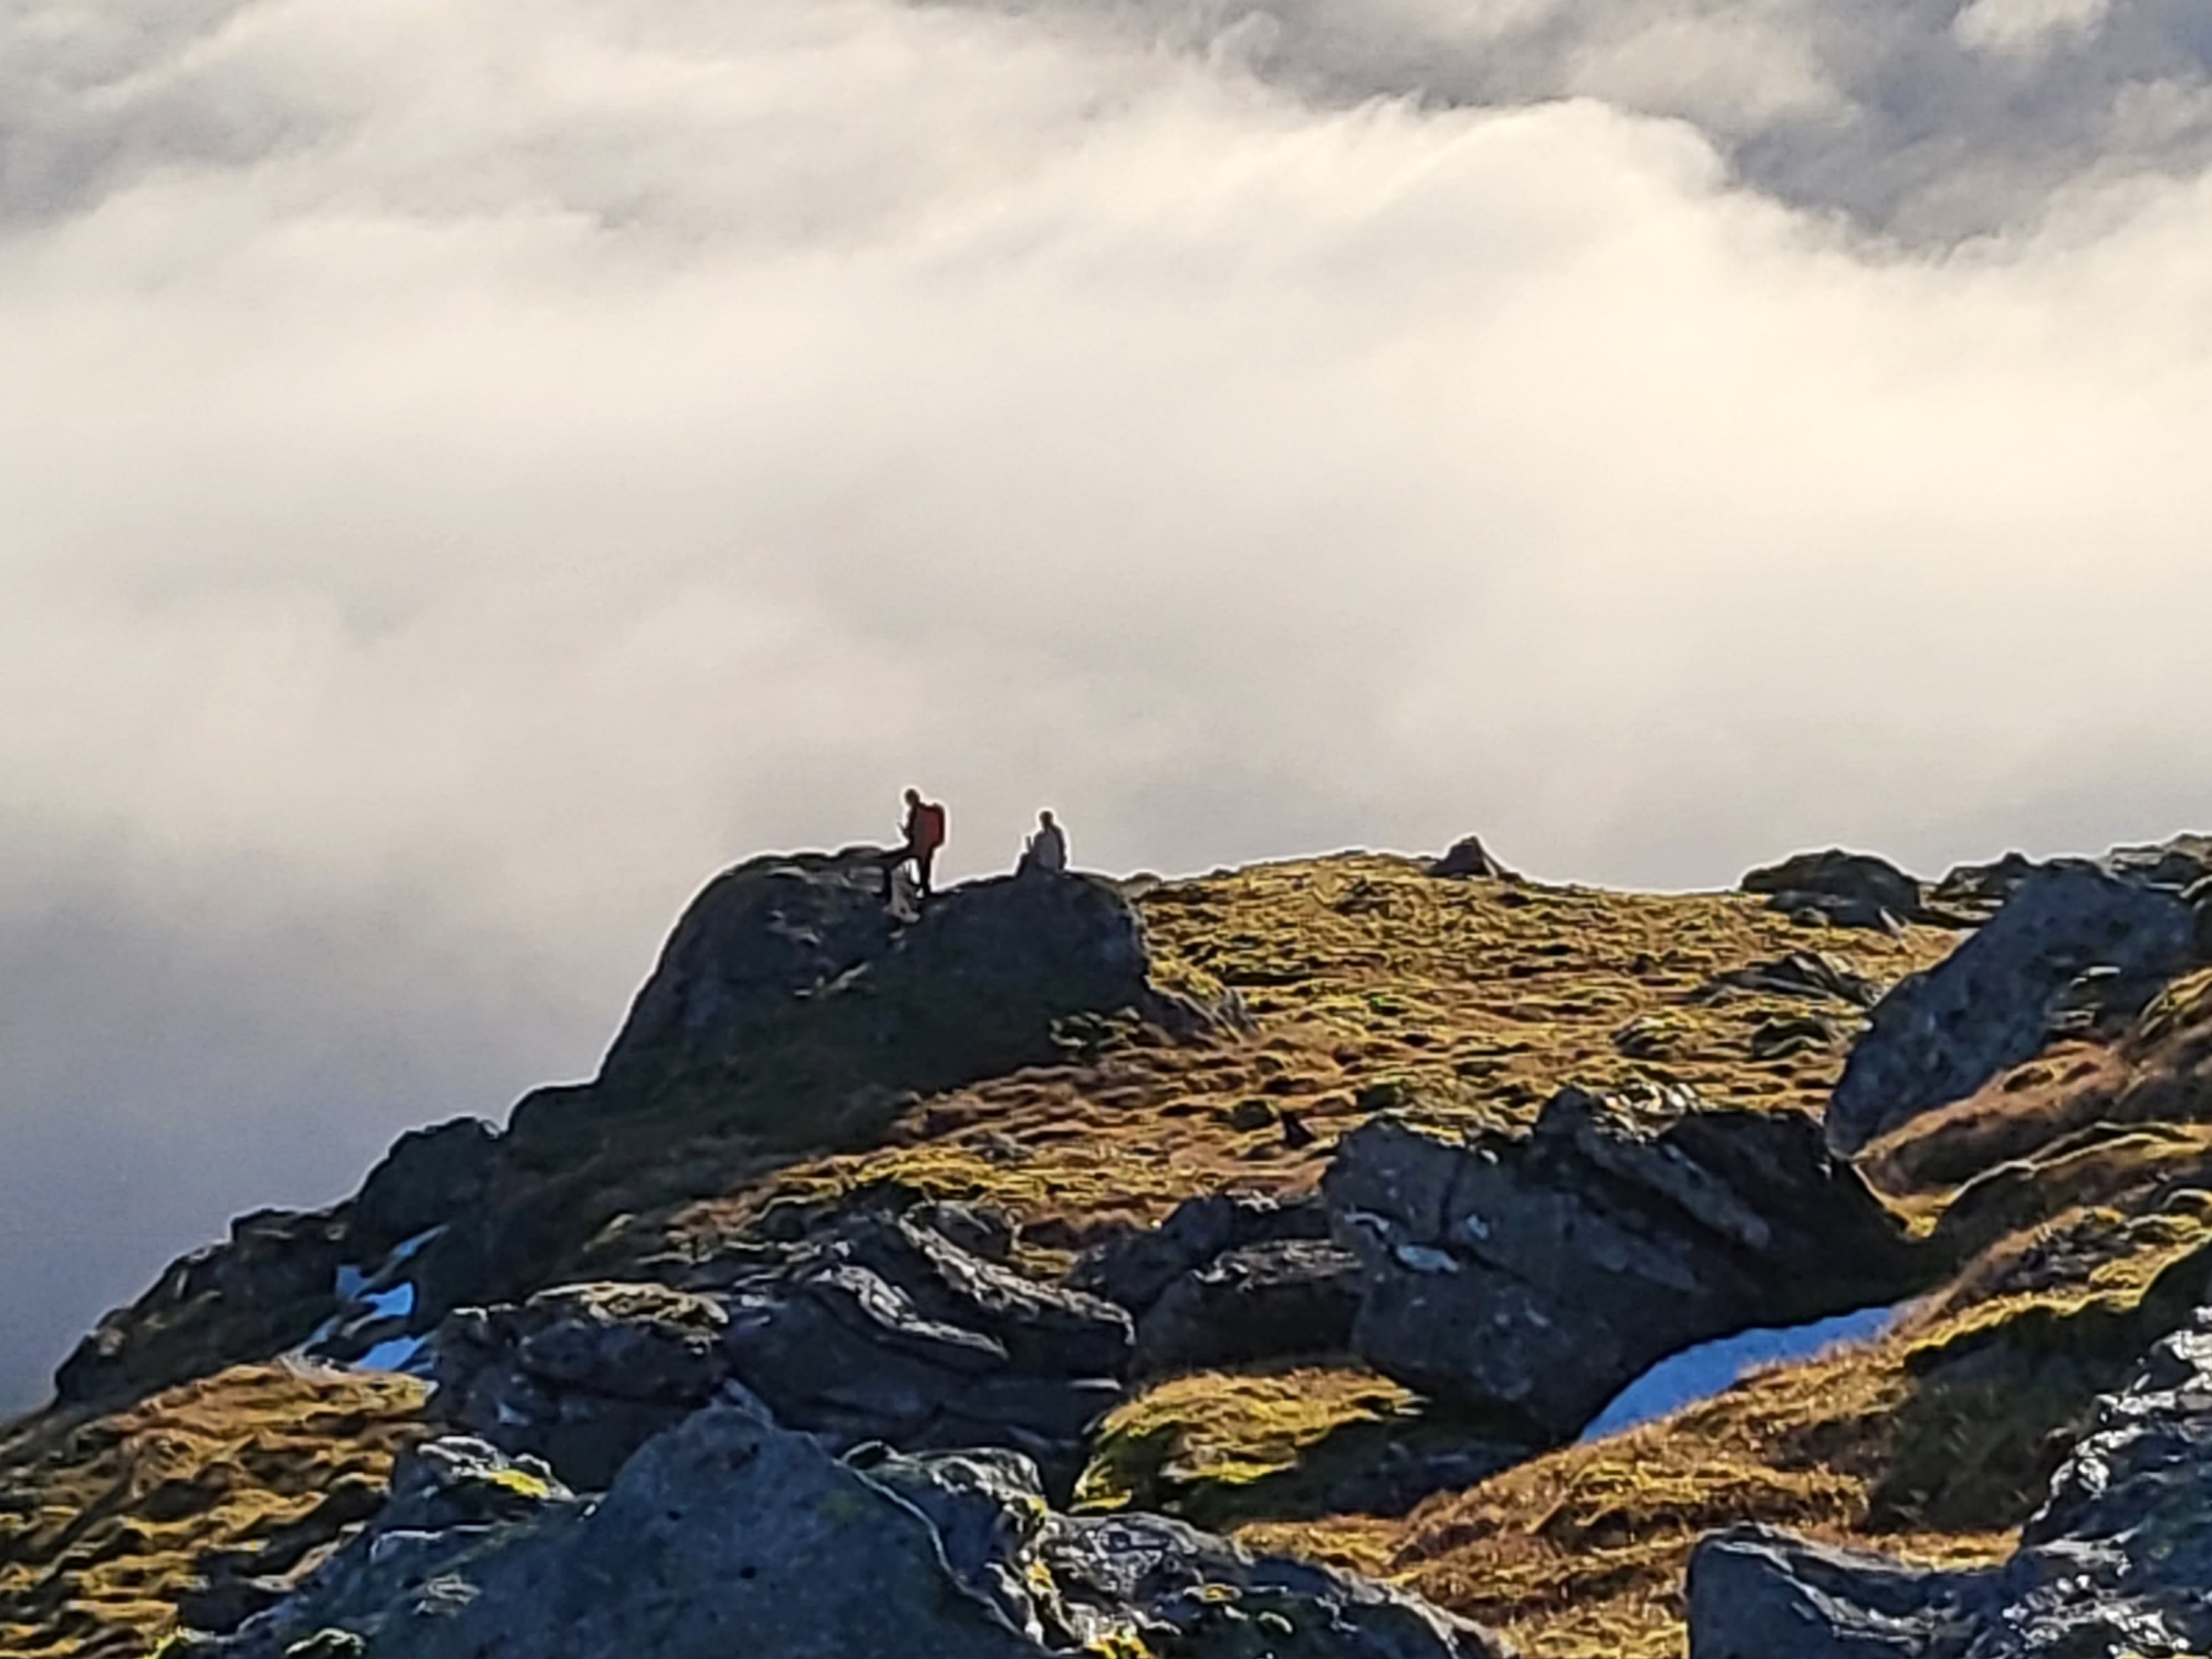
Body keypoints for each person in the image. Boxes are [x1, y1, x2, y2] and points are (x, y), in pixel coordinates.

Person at [893, 787, 948, 899]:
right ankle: (925, 890)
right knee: (925, 870)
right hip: (928, 847)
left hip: (918, 847)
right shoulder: (929, 812)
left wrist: (905, 832)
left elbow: (911, 833)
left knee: (898, 861)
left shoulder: (915, 813)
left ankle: (920, 890)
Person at [1018, 809, 1067, 876]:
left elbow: (1035, 853)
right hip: (1055, 864)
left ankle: (1020, 878)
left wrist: (1030, 850)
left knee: (1024, 857)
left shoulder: (1042, 836)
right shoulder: (1057, 833)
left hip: (1045, 865)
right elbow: (1062, 848)